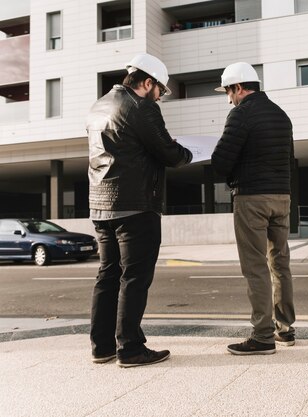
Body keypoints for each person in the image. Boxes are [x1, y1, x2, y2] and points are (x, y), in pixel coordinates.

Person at [87, 53, 193, 367]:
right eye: (161, 89)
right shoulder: (142, 107)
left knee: (108, 276)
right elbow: (169, 154)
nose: (160, 96)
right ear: (148, 83)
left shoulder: (99, 106)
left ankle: (101, 346)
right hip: (135, 206)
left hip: (101, 206)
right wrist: (188, 152)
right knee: (134, 278)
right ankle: (130, 349)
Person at [211, 62, 296, 355]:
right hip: (281, 197)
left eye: (228, 92)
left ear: (238, 87)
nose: (228, 98)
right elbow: (290, 159)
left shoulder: (240, 115)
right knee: (280, 263)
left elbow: (221, 163)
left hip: (252, 198)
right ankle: (285, 329)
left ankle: (262, 336)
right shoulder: (281, 115)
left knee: (255, 266)